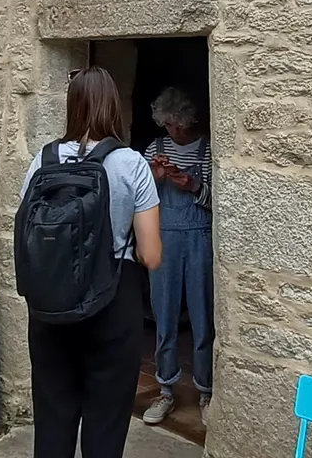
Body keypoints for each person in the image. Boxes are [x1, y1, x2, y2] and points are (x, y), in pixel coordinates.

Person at [19, 67, 162, 458]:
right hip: (112, 301)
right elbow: (151, 255)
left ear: (72, 106)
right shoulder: (131, 164)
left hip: (49, 307)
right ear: (112, 106)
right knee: (106, 420)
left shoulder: (42, 161)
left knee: (52, 418)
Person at [140, 87, 213, 427]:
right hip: (164, 237)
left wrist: (194, 186)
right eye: (168, 125)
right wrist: (155, 178)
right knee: (164, 316)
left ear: (189, 120)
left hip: (199, 236)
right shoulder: (154, 148)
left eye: (178, 125)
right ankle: (165, 389)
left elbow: (218, 201)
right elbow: (138, 197)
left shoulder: (208, 149)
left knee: (203, 319)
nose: (173, 131)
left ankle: (206, 390)